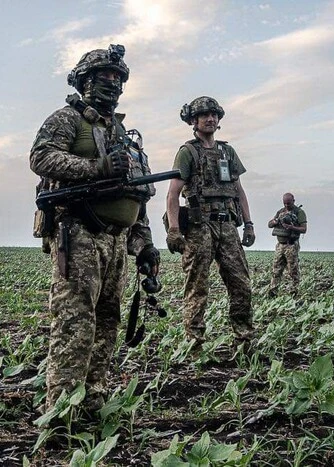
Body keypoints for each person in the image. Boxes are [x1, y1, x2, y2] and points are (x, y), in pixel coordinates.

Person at [29, 44, 160, 418]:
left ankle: (92, 403)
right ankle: (61, 416)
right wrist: (97, 168)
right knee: (75, 325)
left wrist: (145, 244)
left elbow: (139, 191)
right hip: (80, 233)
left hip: (118, 240)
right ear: (85, 81)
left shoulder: (124, 133)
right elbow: (41, 156)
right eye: (105, 77)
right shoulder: (67, 119)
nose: (113, 84)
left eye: (118, 79)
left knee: (107, 323)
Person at [165, 96, 255, 346]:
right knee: (197, 287)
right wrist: (174, 229)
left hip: (227, 226)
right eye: (204, 115)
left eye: (214, 115)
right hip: (199, 227)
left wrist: (248, 224)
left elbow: (239, 190)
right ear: (193, 120)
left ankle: (244, 338)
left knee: (241, 283)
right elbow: (173, 193)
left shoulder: (228, 151)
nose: (210, 119)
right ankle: (194, 342)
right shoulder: (188, 152)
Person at [267, 193, 307, 297]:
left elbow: (304, 229)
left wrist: (291, 227)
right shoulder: (280, 212)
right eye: (284, 203)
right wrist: (275, 221)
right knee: (276, 269)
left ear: (293, 201)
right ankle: (273, 291)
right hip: (280, 245)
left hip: (291, 245)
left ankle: (293, 292)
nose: (286, 206)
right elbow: (269, 224)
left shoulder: (299, 212)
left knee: (293, 270)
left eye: (288, 203)